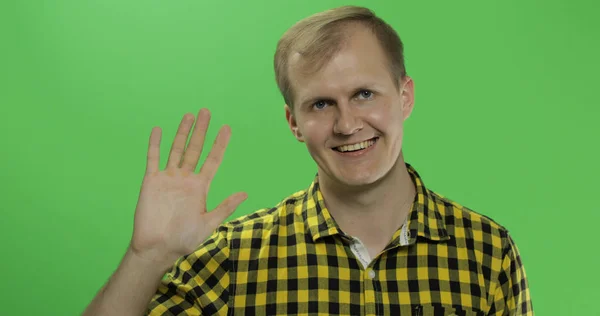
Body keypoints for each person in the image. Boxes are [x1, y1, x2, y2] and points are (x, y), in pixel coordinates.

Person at [83, 5, 532, 316]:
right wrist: (148, 256)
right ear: (293, 122)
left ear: (405, 96)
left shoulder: (487, 253)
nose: (346, 123)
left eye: (363, 94)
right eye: (320, 104)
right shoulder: (232, 259)